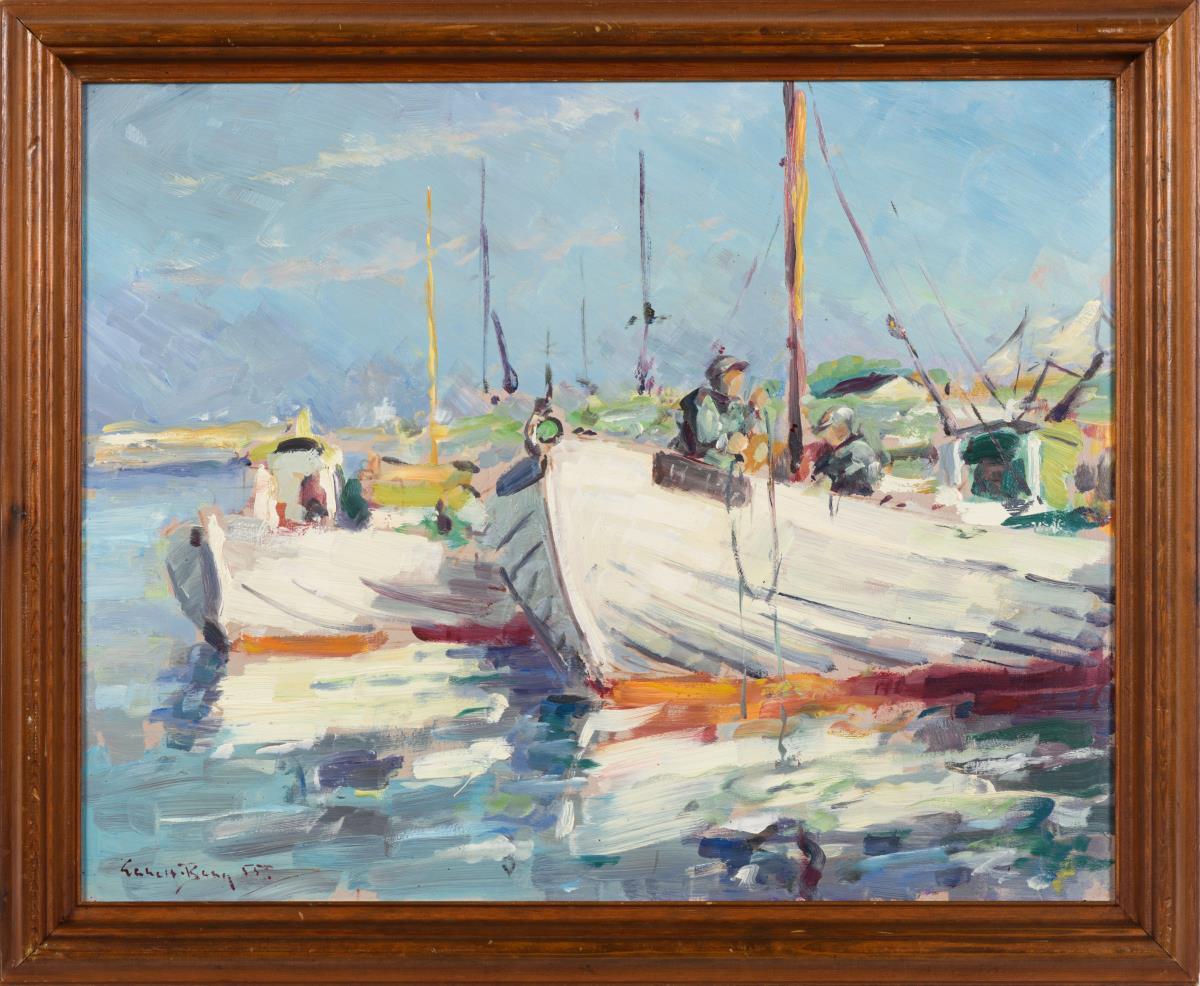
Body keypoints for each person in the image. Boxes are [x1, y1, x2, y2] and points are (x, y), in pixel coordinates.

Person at [672, 354, 758, 467]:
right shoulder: (705, 399)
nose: (738, 380)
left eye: (740, 375)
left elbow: (742, 428)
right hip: (695, 459)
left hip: (715, 458)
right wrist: (732, 437)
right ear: (719, 379)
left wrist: (751, 413)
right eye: (733, 375)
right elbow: (707, 437)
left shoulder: (734, 403)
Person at [804, 405, 882, 497]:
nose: (827, 433)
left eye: (831, 427)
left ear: (843, 429)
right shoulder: (829, 452)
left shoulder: (859, 449)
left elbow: (866, 480)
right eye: (827, 428)